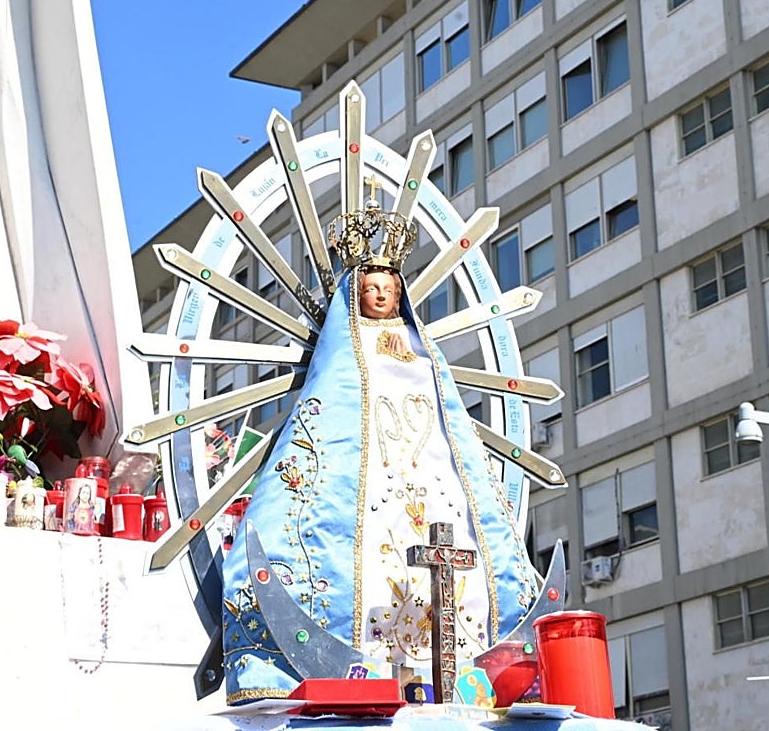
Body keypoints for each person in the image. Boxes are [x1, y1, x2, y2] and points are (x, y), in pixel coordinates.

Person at [220, 261, 539, 703]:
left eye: (388, 289)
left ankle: (467, 670)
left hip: (428, 461)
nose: (382, 296)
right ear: (356, 296)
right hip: (363, 467)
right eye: (371, 288)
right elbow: (337, 400)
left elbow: (441, 406)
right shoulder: (345, 352)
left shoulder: (422, 350)